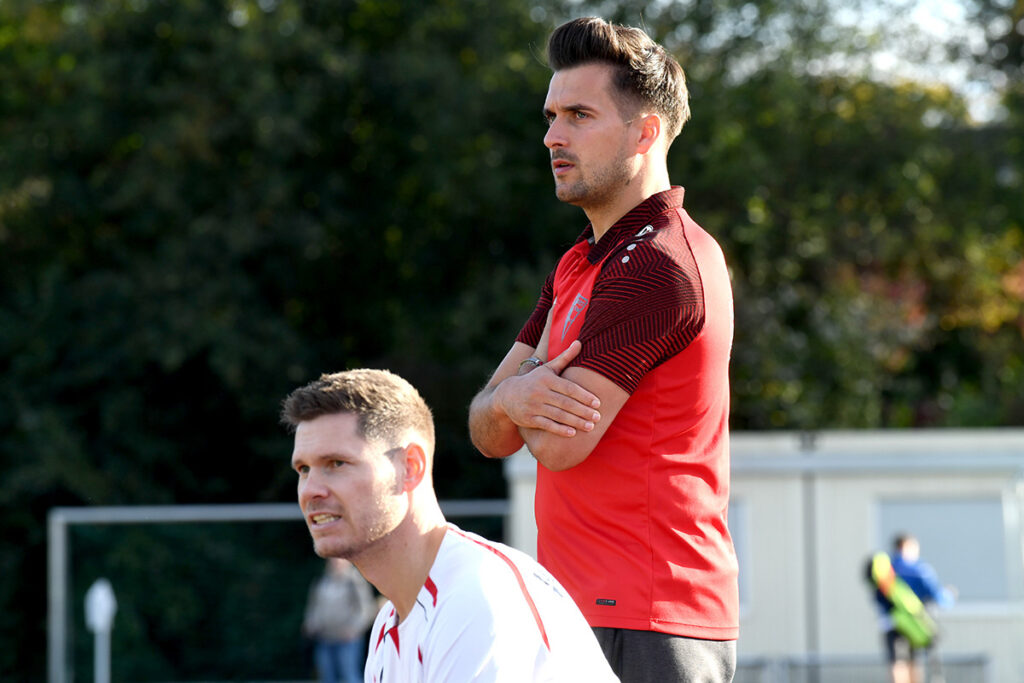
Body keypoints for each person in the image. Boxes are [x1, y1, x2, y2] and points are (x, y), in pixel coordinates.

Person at [467, 16, 738, 683]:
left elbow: (558, 445)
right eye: (552, 115)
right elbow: (485, 427)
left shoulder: (659, 266)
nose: (552, 136)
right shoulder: (580, 263)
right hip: (585, 609)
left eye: (579, 115)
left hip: (648, 615)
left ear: (644, 132)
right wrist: (518, 396)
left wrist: (513, 394)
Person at [282, 368, 619, 683]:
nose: (311, 490)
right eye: (304, 469)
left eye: (336, 463)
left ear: (410, 467)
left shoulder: (475, 595)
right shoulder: (389, 625)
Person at [872, 534, 955, 683]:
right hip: (914, 623)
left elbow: (877, 597)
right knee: (913, 662)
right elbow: (937, 596)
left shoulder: (885, 570)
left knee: (896, 663)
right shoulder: (919, 570)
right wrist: (949, 595)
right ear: (908, 546)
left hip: (890, 623)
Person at [302, 557, 376, 683]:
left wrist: (354, 629)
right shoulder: (323, 581)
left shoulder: (354, 581)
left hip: (347, 639)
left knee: (349, 675)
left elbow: (366, 608)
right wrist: (311, 624)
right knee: (327, 677)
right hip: (325, 637)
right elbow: (315, 606)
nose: (335, 563)